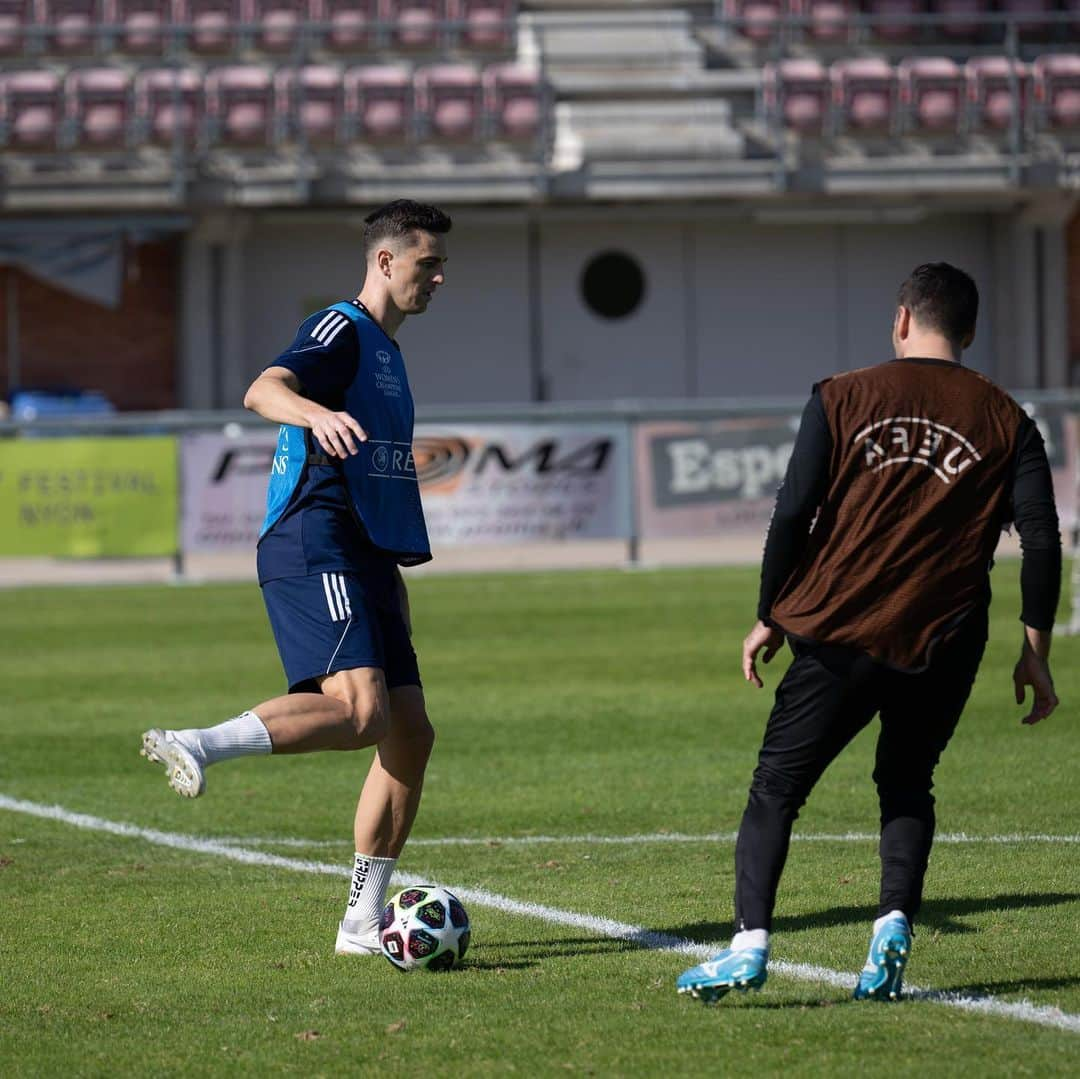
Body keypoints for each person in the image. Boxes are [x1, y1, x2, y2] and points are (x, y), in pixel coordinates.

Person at [677, 262, 1061, 1004]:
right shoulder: (1008, 417)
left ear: (901, 320)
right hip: (947, 633)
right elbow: (1043, 540)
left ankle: (748, 945)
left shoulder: (843, 394)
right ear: (971, 332)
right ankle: (890, 930)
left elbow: (792, 513)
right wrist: (1036, 652)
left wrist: (770, 611)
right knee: (907, 780)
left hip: (842, 626)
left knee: (776, 789)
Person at [141, 199, 451, 957]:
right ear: (385, 261)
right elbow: (263, 388)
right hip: (315, 538)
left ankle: (359, 920)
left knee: (409, 734)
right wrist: (313, 414)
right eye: (426, 263)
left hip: (366, 554)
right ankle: (198, 742)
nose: (440, 277)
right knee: (360, 713)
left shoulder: (388, 353)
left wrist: (394, 584)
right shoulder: (340, 327)